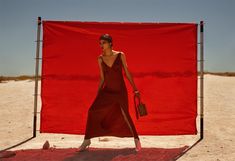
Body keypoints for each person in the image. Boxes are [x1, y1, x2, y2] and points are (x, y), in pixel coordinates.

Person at [78, 33, 141, 152]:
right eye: (100, 43)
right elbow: (102, 78)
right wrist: (98, 94)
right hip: (107, 91)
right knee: (92, 110)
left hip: (120, 91)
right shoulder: (100, 58)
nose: (101, 45)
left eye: (104, 42)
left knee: (125, 114)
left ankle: (136, 139)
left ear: (110, 43)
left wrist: (135, 88)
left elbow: (127, 73)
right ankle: (87, 140)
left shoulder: (120, 55)